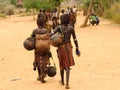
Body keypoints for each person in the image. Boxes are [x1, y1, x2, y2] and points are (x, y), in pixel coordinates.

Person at [52, 14, 80, 89]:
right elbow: (75, 39)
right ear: (68, 20)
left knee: (61, 64)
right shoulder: (71, 28)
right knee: (67, 65)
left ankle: (62, 81)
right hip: (68, 47)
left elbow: (52, 34)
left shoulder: (58, 27)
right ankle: (67, 84)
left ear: (62, 20)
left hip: (61, 47)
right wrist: (77, 48)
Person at [30, 18, 51, 83]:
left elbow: (31, 38)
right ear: (43, 23)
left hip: (38, 49)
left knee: (38, 62)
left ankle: (40, 75)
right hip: (45, 49)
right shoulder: (46, 30)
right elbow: (49, 39)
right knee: (44, 61)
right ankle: (43, 75)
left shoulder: (35, 30)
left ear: (37, 23)